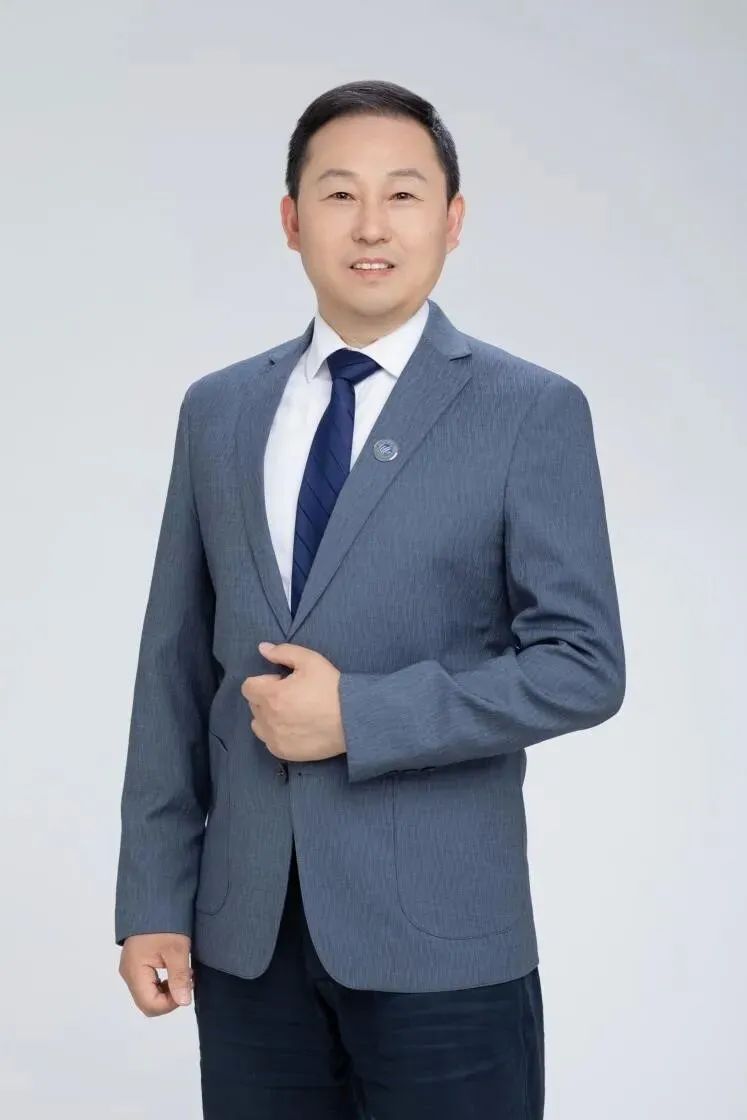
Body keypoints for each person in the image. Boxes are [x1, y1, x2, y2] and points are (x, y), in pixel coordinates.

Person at [115, 78, 625, 1119]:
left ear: (453, 219)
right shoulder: (219, 410)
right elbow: (174, 665)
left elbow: (583, 664)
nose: (371, 225)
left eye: (403, 194)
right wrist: (153, 899)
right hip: (248, 937)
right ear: (292, 219)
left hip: (442, 940)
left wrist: (360, 716)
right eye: (339, 194)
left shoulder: (528, 411)